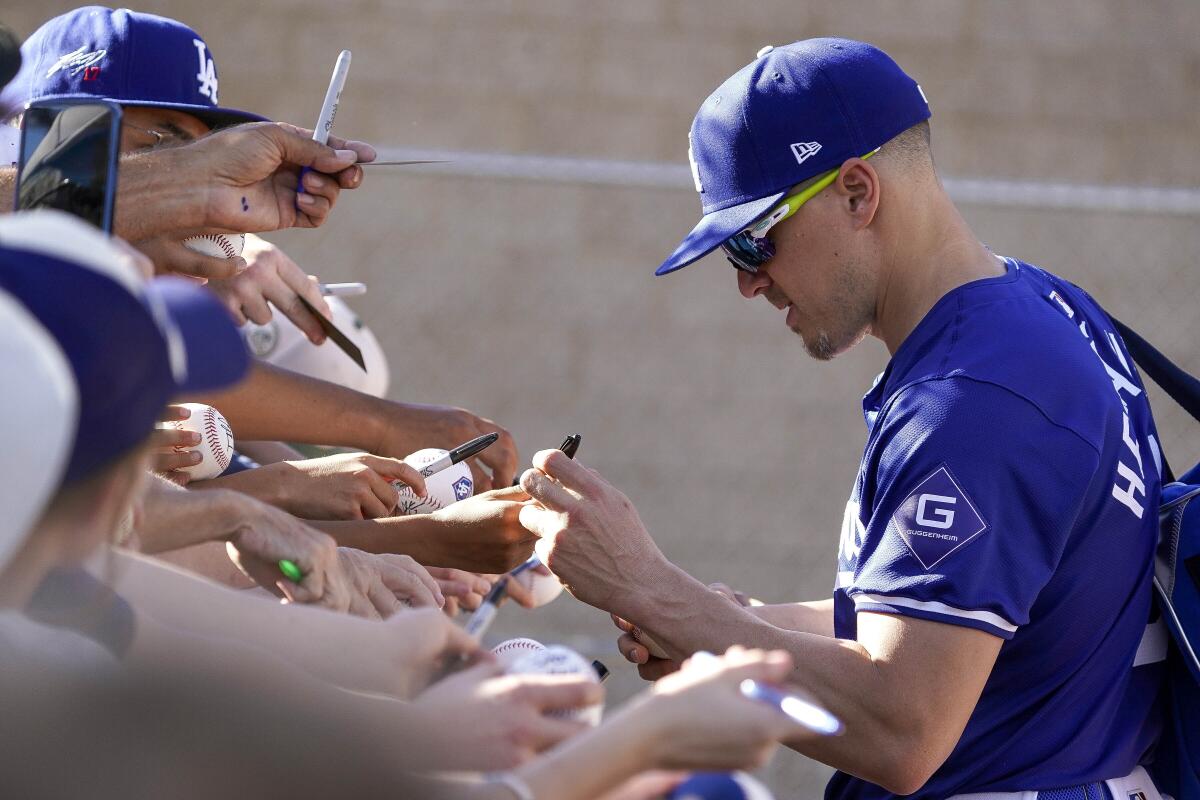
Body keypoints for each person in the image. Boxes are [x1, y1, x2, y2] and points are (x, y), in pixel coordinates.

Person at [517, 38, 1166, 799]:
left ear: (858, 192)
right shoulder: (1040, 313)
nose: (749, 283)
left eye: (755, 239)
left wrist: (650, 589)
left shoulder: (977, 400)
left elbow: (903, 728)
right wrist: (737, 623)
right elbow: (955, 617)